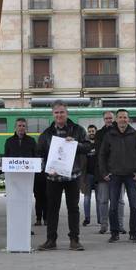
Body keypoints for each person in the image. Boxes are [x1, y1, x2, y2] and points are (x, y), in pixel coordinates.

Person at [36, 100, 90, 251]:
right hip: (53, 177)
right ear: (53, 114)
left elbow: (87, 147)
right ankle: (51, 240)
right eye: (56, 112)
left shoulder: (78, 130)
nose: (59, 115)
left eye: (62, 112)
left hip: (73, 176)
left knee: (73, 208)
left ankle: (74, 240)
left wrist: (76, 144)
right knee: (52, 209)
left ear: (67, 113)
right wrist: (46, 169)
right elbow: (39, 154)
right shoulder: (46, 134)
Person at [99, 109, 136, 243]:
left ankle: (134, 233)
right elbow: (102, 155)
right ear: (116, 120)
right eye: (120, 117)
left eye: (125, 117)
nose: (123, 120)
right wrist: (105, 173)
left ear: (128, 120)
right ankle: (114, 233)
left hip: (131, 176)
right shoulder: (109, 135)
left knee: (134, 206)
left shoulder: (135, 135)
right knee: (113, 206)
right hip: (115, 176)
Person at [94, 110, 126, 234]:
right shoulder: (99, 134)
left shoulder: (121, 132)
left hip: (119, 172)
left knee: (120, 201)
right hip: (104, 174)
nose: (109, 120)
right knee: (103, 200)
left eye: (111, 118)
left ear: (115, 119)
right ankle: (103, 225)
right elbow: (99, 155)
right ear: (104, 120)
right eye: (107, 118)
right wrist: (104, 172)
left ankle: (120, 225)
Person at [82, 125, 98, 227]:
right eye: (90, 131)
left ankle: (100, 219)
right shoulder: (85, 145)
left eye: (93, 131)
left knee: (99, 199)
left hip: (98, 176)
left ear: (96, 132)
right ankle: (87, 218)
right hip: (87, 175)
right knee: (87, 198)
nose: (91, 132)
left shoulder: (100, 144)